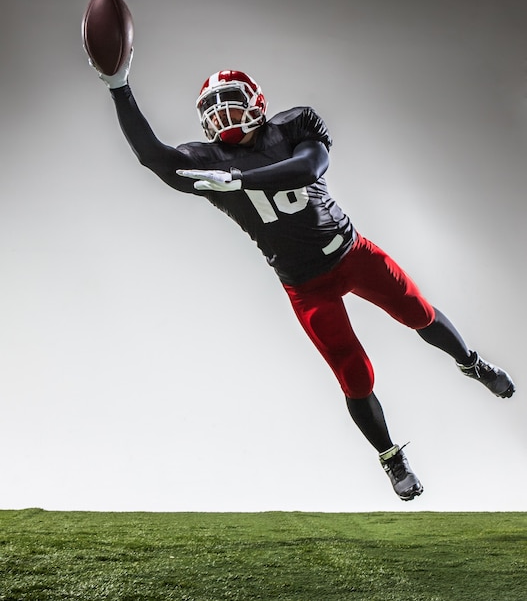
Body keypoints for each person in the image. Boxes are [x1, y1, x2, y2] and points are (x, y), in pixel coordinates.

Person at [87, 50, 515, 501]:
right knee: (355, 376)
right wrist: (119, 87)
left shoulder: (295, 125)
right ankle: (391, 457)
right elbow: (154, 158)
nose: (223, 113)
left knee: (419, 312)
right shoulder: (206, 159)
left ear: (257, 101)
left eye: (231, 100)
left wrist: (239, 179)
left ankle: (471, 362)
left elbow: (309, 166)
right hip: (305, 285)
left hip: (352, 253)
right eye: (213, 107)